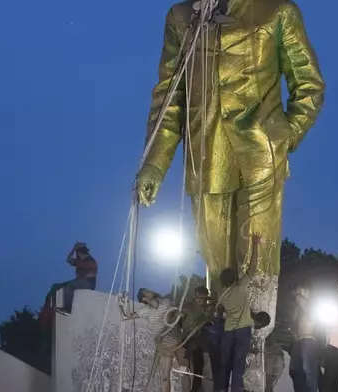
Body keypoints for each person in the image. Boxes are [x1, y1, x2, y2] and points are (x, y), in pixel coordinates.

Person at [136, 1, 325, 386]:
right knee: (217, 268)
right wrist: (155, 163)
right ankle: (218, 363)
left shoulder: (276, 10)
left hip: (261, 159)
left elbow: (310, 85)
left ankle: (253, 358)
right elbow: (170, 96)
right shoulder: (181, 17)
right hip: (207, 161)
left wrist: (284, 137)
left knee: (257, 263)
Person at [216, 233, 262, 392]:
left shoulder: (221, 294)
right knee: (238, 363)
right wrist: (255, 244)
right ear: (235, 278)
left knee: (225, 362)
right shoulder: (241, 287)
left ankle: (221, 389)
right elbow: (253, 266)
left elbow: (219, 310)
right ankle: (236, 389)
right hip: (243, 330)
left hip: (228, 330)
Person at [120, 288, 188, 392]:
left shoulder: (166, 303)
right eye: (146, 292)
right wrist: (124, 303)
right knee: (165, 378)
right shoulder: (144, 311)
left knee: (184, 369)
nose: (150, 291)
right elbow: (126, 317)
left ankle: (181, 369)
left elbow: (177, 313)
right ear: (144, 298)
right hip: (164, 346)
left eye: (148, 290)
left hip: (177, 340)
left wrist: (179, 314)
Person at [181, 286, 213, 392]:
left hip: (200, 343)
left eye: (204, 299)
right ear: (195, 296)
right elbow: (176, 321)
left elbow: (209, 323)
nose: (202, 301)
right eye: (199, 298)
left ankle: (197, 388)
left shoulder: (207, 309)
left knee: (200, 368)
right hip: (188, 342)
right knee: (190, 368)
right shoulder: (187, 307)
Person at [288, 283, 319, 392]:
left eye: (302, 291)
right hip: (298, 342)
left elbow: (301, 302)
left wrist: (298, 295)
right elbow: (293, 326)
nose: (299, 293)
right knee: (294, 370)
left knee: (308, 371)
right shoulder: (298, 310)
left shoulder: (311, 306)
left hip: (308, 341)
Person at [62, 241, 98, 313]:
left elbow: (91, 274)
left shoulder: (90, 261)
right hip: (82, 281)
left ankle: (68, 309)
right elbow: (68, 259)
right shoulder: (80, 261)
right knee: (65, 286)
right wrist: (74, 248)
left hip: (88, 282)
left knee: (70, 286)